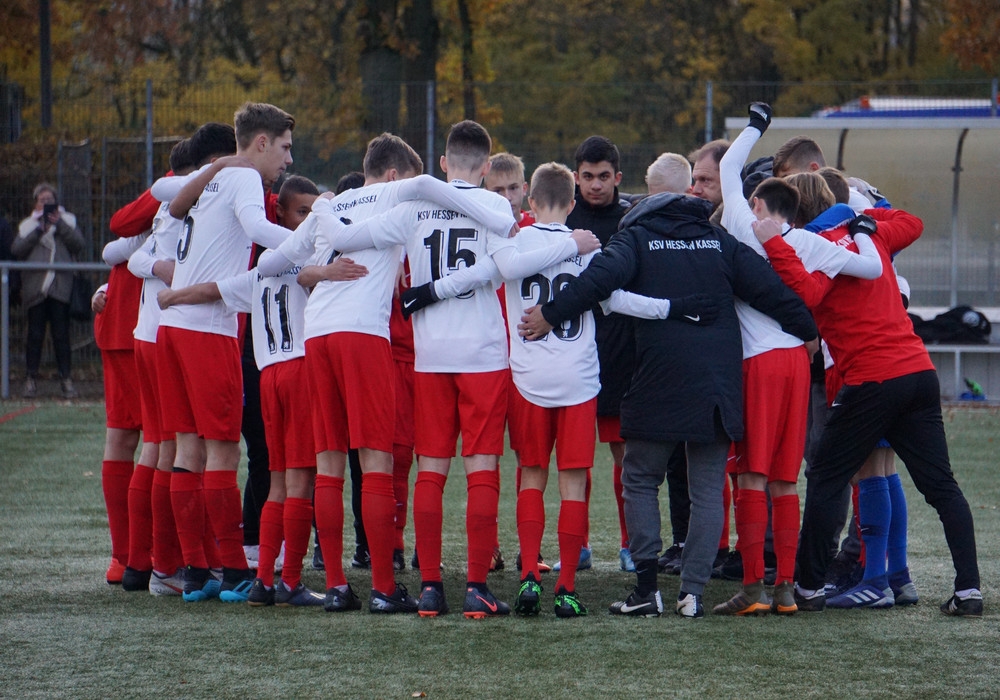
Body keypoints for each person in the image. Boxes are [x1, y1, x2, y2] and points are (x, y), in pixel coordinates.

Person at [518, 191, 817, 619]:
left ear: (642, 214)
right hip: (716, 383)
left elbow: (597, 281)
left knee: (639, 479)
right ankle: (692, 594)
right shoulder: (718, 241)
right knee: (708, 490)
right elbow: (770, 291)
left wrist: (550, 312)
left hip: (658, 379)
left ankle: (645, 590)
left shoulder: (637, 238)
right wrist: (808, 330)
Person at [260, 129, 514, 615]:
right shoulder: (418, 195)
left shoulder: (352, 201)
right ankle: (388, 587)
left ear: (443, 162)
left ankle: (349, 585)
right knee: (404, 464)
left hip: (322, 334)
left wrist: (321, 228)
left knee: (336, 464)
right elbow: (502, 245)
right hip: (413, 340)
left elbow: (278, 260)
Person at [755, 194, 983, 617]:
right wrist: (867, 216)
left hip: (871, 380)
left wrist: (773, 246)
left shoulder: (816, 251)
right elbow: (911, 221)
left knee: (826, 478)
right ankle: (967, 589)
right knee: (940, 486)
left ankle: (808, 585)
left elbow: (805, 293)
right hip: (918, 372)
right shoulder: (867, 237)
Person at [713, 103, 885, 616]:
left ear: (761, 205)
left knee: (750, 475)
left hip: (758, 364)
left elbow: (726, 168)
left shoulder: (746, 228)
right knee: (788, 478)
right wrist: (861, 227)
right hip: (798, 364)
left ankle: (752, 589)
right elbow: (871, 269)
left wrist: (755, 125)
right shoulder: (811, 242)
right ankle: (786, 588)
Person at [159, 175, 349, 608]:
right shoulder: (305, 260)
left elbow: (215, 290)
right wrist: (333, 260)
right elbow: (312, 274)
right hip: (300, 373)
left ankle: (264, 579)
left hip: (269, 378)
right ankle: (296, 581)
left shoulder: (260, 269)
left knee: (278, 482)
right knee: (304, 481)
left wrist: (173, 297)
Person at [153, 102, 295, 603]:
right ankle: (234, 568)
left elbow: (171, 207)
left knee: (189, 449)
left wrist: (215, 166)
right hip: (206, 331)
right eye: (284, 147)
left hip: (172, 329)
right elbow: (258, 232)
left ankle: (196, 570)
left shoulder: (215, 177)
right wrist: (315, 241)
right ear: (260, 143)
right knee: (222, 450)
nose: (288, 159)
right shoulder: (243, 180)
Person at [488, 162, 601, 617]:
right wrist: (671, 307)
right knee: (573, 483)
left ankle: (530, 577)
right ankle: (567, 588)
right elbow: (616, 300)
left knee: (531, 475)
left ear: (530, 202)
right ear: (573, 203)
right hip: (578, 378)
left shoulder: (515, 242)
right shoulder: (589, 247)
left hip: (528, 379)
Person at [562, 135, 632, 572]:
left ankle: (629, 544)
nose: (595, 185)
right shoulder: (563, 218)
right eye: (587, 176)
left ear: (618, 177)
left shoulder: (631, 221)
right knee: (575, 456)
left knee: (625, 456)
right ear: (575, 177)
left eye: (603, 176)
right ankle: (579, 544)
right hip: (573, 353)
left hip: (623, 354)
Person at [13, 183, 85, 399]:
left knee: (61, 335)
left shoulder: (68, 221)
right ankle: (30, 380)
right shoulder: (27, 225)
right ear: (36, 202)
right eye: (42, 200)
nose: (46, 204)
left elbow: (78, 244)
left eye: (49, 200)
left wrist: (59, 225)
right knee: (34, 335)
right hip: (36, 288)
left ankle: (66, 380)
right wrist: (39, 230)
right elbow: (17, 249)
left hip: (60, 287)